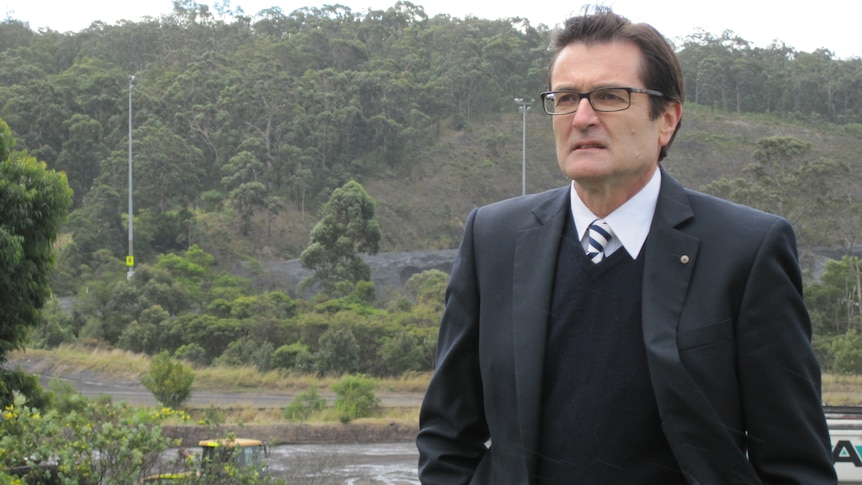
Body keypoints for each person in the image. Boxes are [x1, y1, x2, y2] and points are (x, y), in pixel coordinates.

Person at [416, 6, 836, 484]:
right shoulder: (493, 238)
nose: (583, 117)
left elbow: (794, 462)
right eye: (567, 97)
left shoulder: (746, 250)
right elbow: (448, 434)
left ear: (667, 120)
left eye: (610, 97)